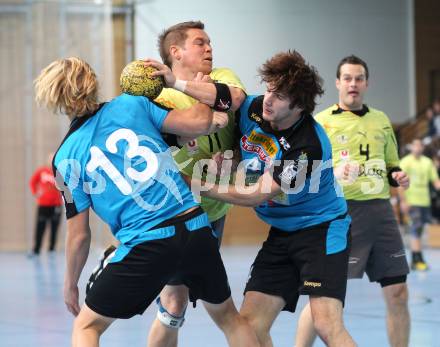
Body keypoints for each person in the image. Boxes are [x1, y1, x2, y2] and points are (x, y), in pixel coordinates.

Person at [34, 57, 258, 347]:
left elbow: (79, 236)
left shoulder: (63, 159)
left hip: (147, 243)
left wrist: (69, 285)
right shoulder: (132, 104)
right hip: (196, 227)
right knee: (230, 318)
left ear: (54, 99)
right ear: (92, 82)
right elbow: (201, 123)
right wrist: (203, 93)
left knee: (87, 326)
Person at [196, 50, 356, 347]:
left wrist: (198, 185)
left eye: (279, 95)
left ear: (298, 107)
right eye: (269, 88)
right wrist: (229, 156)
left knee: (326, 324)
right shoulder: (256, 108)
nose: (268, 99)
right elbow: (241, 132)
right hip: (282, 233)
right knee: (250, 327)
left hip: (320, 231)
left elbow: (257, 194)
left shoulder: (307, 145)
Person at [295, 55, 411, 347]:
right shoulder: (320, 123)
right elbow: (306, 172)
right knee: (323, 298)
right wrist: (335, 171)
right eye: (347, 78)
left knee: (398, 293)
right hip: (340, 214)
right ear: (338, 83)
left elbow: (391, 163)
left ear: (366, 83)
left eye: (359, 78)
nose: (353, 84)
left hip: (381, 213)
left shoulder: (381, 119)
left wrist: (397, 175)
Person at [143, 20, 246, 347]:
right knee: (175, 301)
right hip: (178, 214)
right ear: (176, 51)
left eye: (209, 42)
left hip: (215, 209)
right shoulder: (160, 97)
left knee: (182, 299)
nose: (209, 48)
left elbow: (234, 99)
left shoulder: (223, 76)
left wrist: (233, 163)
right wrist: (203, 177)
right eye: (200, 42)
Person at [400, 138, 440, 271]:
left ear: (422, 147)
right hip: (412, 201)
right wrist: (403, 201)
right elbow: (399, 184)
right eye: (415, 145)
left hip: (425, 201)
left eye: (420, 145)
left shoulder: (427, 162)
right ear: (411, 147)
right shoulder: (405, 162)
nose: (417, 147)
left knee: (420, 230)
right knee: (416, 229)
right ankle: (417, 259)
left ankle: (416, 259)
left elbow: (436, 182)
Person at [29, 152, 63, 255]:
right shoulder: (42, 171)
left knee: (54, 227)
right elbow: (32, 182)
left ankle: (51, 249)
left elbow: (65, 188)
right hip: (43, 205)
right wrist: (35, 192)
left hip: (56, 205)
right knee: (40, 226)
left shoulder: (59, 173)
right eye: (50, 159)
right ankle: (36, 249)